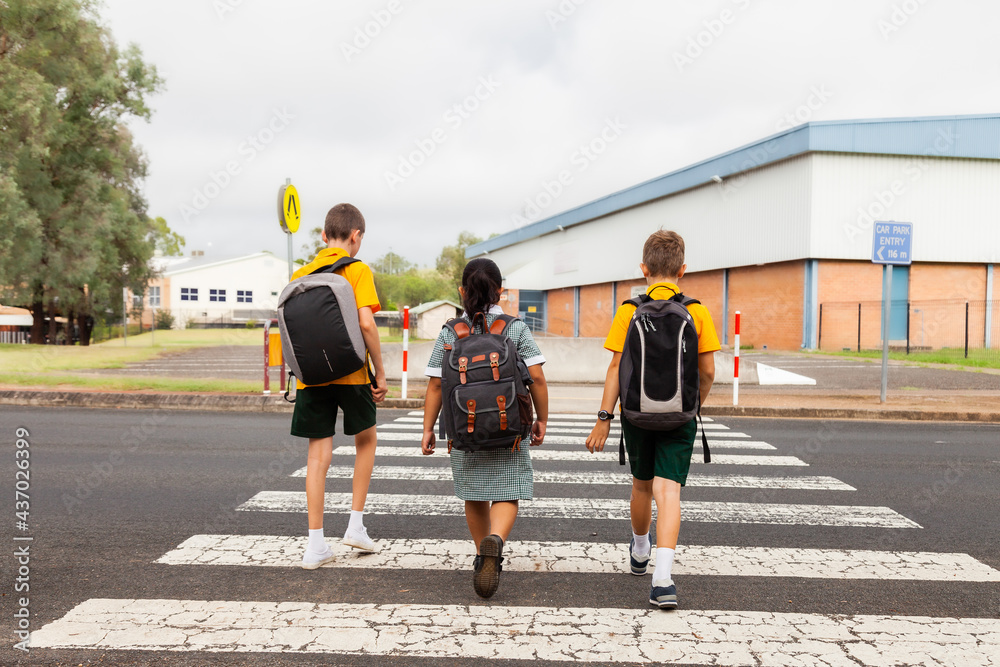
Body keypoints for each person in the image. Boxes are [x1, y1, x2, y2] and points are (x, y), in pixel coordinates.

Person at [584, 230, 719, 609]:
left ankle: (640, 550)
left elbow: (614, 367)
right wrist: (693, 405)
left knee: (642, 486)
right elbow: (708, 371)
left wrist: (604, 418)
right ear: (683, 270)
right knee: (669, 492)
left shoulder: (629, 310)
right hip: (681, 415)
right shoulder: (697, 311)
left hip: (636, 414)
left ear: (643, 269)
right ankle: (663, 580)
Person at [420, 258, 549, 599]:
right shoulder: (515, 328)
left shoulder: (451, 332)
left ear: (462, 291)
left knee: (474, 493)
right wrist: (541, 419)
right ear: (500, 291)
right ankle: (497, 541)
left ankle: (482, 554)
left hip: (464, 429)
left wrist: (428, 428)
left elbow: (435, 385)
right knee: (508, 490)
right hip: (511, 426)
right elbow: (535, 377)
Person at [291, 203, 388, 569]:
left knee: (318, 457)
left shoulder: (301, 273)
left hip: (310, 376)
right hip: (351, 373)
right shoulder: (357, 269)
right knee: (366, 439)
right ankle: (355, 526)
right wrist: (380, 371)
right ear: (355, 236)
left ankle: (315, 545)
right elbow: (366, 324)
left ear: (322, 235)